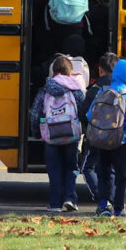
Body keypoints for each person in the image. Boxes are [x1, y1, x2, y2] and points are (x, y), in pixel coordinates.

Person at [29, 56, 86, 212]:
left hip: (51, 136)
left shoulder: (45, 90)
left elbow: (35, 113)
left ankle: (55, 204)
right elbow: (83, 111)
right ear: (70, 72)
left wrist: (36, 133)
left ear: (53, 72)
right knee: (71, 168)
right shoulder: (75, 89)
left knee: (54, 170)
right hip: (71, 135)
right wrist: (83, 129)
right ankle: (70, 199)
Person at [86, 59, 126, 217]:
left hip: (102, 141)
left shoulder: (102, 92)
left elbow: (89, 115)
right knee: (121, 176)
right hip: (121, 143)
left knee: (103, 173)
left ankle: (103, 205)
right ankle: (118, 208)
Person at [79, 52, 119, 202]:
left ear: (100, 70)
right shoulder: (121, 89)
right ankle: (114, 199)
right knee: (112, 169)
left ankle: (102, 197)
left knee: (88, 167)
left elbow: (83, 113)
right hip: (116, 136)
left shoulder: (95, 89)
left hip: (96, 136)